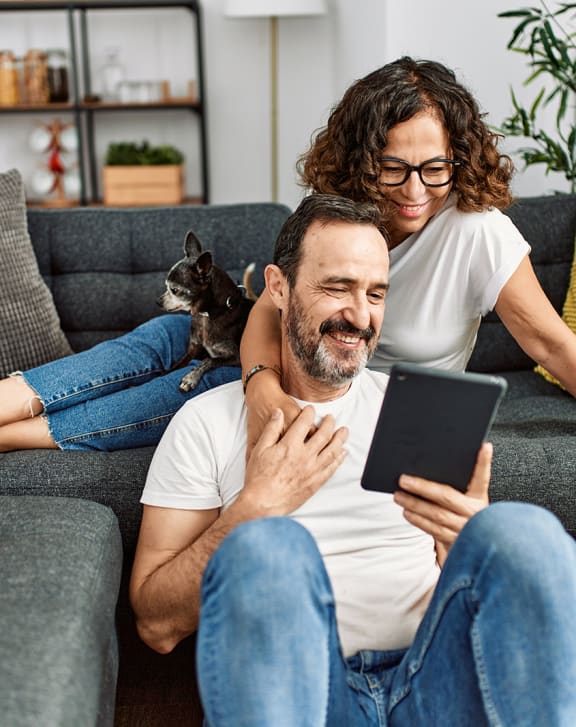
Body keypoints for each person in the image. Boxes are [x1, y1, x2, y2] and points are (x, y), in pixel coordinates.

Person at [129, 194, 576, 727]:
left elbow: (467, 591)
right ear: (278, 287)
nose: (359, 316)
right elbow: (155, 626)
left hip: (433, 682)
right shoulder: (206, 422)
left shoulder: (418, 408)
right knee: (268, 547)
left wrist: (465, 541)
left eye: (376, 293)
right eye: (336, 287)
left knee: (523, 534)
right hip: (308, 694)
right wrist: (254, 509)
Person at [1, 56, 575, 452]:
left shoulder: (479, 233)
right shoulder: (341, 213)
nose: (415, 190)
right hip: (288, 363)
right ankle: (11, 399)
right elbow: (268, 317)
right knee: (173, 334)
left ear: (461, 159)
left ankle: (13, 434)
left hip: (352, 402)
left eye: (435, 168)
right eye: (393, 168)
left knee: (204, 385)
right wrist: (260, 383)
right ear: (361, 159)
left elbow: (551, 342)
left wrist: (260, 389)